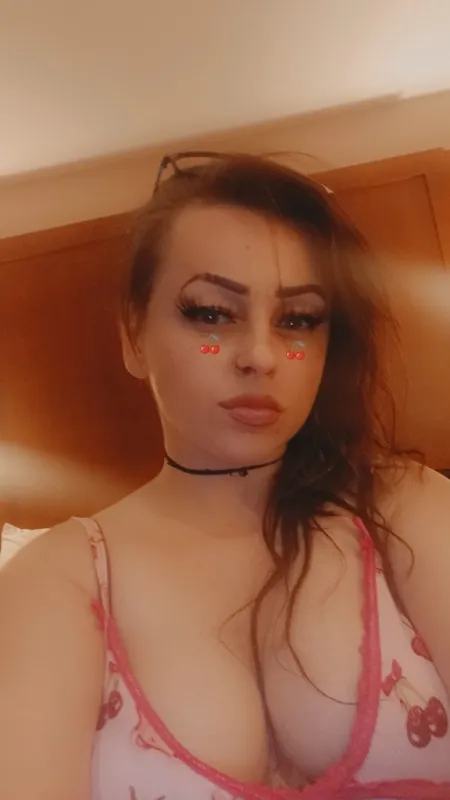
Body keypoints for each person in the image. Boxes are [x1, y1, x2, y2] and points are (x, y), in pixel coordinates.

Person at [1, 152, 449, 800]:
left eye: (298, 320)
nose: (261, 355)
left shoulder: (403, 506)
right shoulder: (58, 579)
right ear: (134, 334)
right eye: (211, 314)